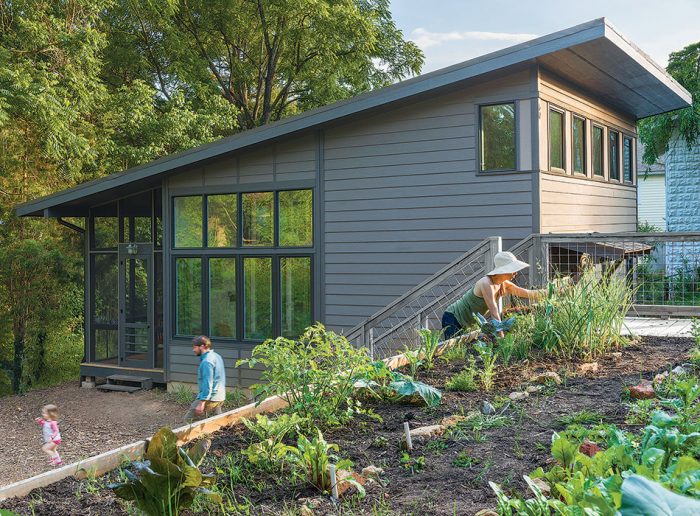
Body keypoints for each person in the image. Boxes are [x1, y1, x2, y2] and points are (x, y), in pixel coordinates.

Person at [442, 251, 542, 340]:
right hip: (453, 317)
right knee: (452, 350)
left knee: (462, 351)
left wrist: (553, 291)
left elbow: (529, 293)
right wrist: (501, 336)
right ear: (504, 270)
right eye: (513, 270)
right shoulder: (486, 283)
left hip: (468, 322)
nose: (516, 273)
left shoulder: (504, 284)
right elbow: (494, 311)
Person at [184, 335, 226, 422]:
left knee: (189, 421)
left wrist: (202, 403)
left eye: (195, 347)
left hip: (211, 398)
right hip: (220, 396)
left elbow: (208, 383)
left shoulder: (207, 361)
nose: (193, 350)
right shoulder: (217, 356)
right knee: (216, 423)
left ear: (202, 346)